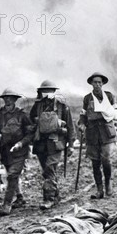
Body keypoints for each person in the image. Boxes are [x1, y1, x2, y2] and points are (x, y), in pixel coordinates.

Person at [30, 80, 76, 210]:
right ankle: (56, 196)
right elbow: (31, 119)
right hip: (41, 144)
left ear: (54, 91)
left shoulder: (62, 106)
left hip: (56, 143)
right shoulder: (37, 106)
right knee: (48, 171)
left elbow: (71, 126)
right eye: (44, 91)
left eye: (50, 90)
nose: (47, 93)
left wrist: (71, 144)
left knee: (50, 168)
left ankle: (48, 199)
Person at [78, 72, 117, 200]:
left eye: (99, 82)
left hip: (106, 132)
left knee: (106, 160)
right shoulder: (87, 98)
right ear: (91, 83)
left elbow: (116, 111)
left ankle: (108, 184)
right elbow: (83, 115)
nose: (97, 84)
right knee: (95, 162)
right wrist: (81, 124)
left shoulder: (109, 96)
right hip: (92, 133)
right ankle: (99, 189)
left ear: (102, 84)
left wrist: (109, 114)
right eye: (95, 82)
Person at [0, 88, 33, 215]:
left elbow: (29, 134)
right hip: (5, 151)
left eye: (11, 98)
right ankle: (20, 197)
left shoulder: (22, 115)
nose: (8, 100)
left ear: (15, 100)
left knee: (12, 175)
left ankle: (7, 204)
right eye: (6, 98)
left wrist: (20, 143)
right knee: (12, 175)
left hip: (19, 151)